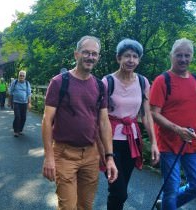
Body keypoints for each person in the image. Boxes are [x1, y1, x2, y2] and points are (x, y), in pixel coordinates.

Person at [41, 35, 118, 210]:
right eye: (86, 52)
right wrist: (49, 157)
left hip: (91, 154)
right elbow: (47, 120)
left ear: (98, 57)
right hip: (64, 153)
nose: (90, 57)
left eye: (94, 54)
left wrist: (109, 157)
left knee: (85, 206)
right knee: (68, 207)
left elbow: (104, 123)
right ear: (76, 54)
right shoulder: (59, 82)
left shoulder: (100, 86)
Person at [150, 38, 196, 210]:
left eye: (187, 55)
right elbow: (153, 113)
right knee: (171, 188)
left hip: (194, 144)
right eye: (179, 55)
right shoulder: (162, 80)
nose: (183, 59)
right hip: (169, 144)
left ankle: (166, 205)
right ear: (171, 56)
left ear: (191, 57)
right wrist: (177, 129)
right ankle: (169, 204)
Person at [102, 38, 159, 210]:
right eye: (127, 56)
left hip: (132, 141)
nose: (131, 60)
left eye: (135, 56)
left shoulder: (143, 82)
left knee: (121, 188)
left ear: (139, 60)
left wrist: (154, 143)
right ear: (118, 58)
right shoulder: (107, 82)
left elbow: (147, 115)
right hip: (110, 141)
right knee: (119, 192)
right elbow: (101, 116)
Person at [8, 71, 31, 137]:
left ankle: (20, 130)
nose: (21, 77)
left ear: (25, 77)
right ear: (18, 76)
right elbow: (11, 92)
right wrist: (9, 102)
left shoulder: (27, 83)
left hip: (24, 103)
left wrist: (29, 103)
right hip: (16, 102)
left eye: (23, 76)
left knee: (23, 118)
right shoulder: (14, 82)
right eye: (20, 75)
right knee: (17, 116)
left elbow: (29, 94)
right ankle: (16, 131)